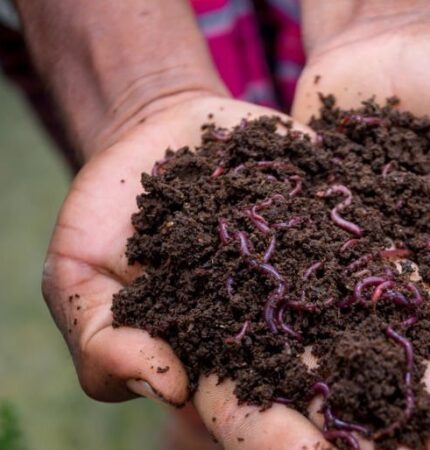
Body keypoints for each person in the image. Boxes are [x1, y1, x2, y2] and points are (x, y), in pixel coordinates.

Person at [2, 1, 430, 449]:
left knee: (206, 366)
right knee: (198, 361)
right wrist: (143, 95)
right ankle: (192, 421)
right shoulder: (194, 202)